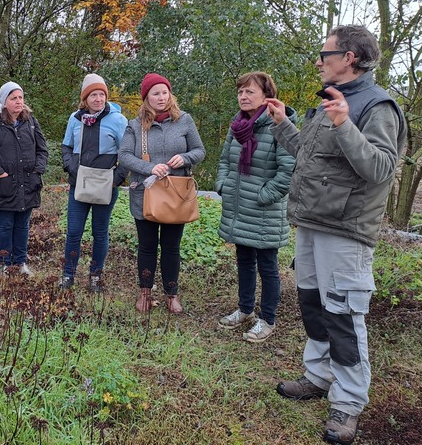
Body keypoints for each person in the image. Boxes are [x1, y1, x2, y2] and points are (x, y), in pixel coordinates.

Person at [266, 25, 406, 445]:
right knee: (313, 304)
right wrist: (281, 124)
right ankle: (319, 376)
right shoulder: (329, 101)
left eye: (324, 53)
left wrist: (346, 124)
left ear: (349, 57)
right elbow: (310, 158)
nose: (318, 60)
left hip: (346, 231)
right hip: (311, 223)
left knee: (344, 315)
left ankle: (348, 403)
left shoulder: (378, 107)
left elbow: (381, 169)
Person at [215, 72, 296, 342]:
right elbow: (225, 160)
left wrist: (264, 195)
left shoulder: (279, 125)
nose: (243, 96)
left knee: (268, 267)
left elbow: (288, 171)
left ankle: (267, 319)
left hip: (264, 210)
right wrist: (222, 185)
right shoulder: (237, 125)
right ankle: (245, 309)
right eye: (240, 92)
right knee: (244, 261)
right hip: (240, 207)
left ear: (266, 96)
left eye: (249, 92)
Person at [119, 73, 205, 314]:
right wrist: (149, 167)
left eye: (164, 92)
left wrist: (185, 158)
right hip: (144, 194)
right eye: (155, 93)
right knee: (146, 246)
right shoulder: (135, 125)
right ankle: (145, 292)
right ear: (146, 98)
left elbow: (199, 150)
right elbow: (124, 156)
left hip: (175, 194)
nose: (161, 97)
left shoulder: (184, 120)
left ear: (170, 94)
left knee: (171, 247)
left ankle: (171, 293)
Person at [60, 73, 128, 291]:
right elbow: (66, 146)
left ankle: (95, 276)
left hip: (105, 187)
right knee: (73, 232)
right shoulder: (75, 119)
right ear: (85, 98)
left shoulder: (117, 120)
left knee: (100, 232)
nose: (98, 99)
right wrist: (71, 167)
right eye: (93, 95)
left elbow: (126, 152)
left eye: (102, 94)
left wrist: (116, 179)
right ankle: (68, 275)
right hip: (78, 185)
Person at [0, 81, 48, 276]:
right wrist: (0, 173)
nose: (18, 102)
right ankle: (5, 264)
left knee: (23, 225)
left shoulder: (30, 121)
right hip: (4, 185)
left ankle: (21, 263)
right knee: (6, 225)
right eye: (13, 98)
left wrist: (37, 171)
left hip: (28, 184)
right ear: (4, 101)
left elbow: (42, 150)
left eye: (20, 97)